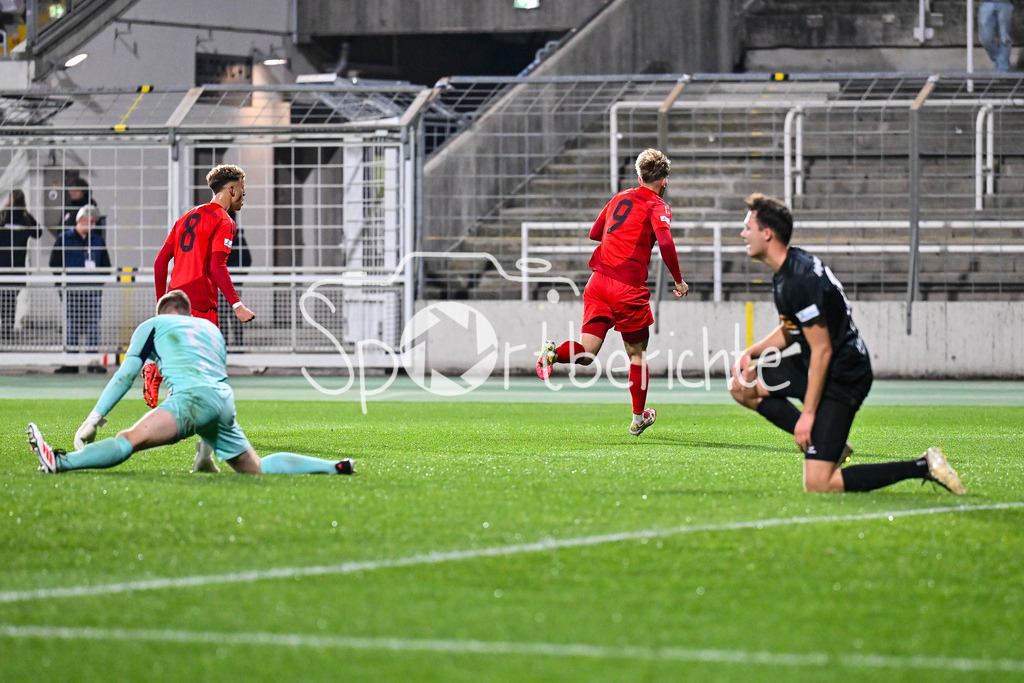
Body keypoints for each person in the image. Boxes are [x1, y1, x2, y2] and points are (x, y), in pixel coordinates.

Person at [728, 193, 965, 494]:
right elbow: (792, 330)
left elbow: (823, 349)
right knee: (741, 387)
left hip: (843, 373)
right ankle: (830, 446)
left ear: (767, 233)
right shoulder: (787, 272)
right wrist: (752, 352)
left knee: (818, 483)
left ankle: (923, 465)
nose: (742, 234)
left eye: (747, 227)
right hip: (821, 361)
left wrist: (808, 416)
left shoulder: (799, 279)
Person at [26, 289, 355, 477]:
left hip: (192, 400)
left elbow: (126, 374)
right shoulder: (211, 331)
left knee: (129, 439)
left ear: (166, 310)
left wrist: (93, 418)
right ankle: (332, 467)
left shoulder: (154, 324)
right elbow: (207, 382)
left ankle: (60, 462)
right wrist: (204, 452)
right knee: (253, 466)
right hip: (223, 401)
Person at [535, 148, 689, 436]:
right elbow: (666, 243)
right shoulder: (657, 206)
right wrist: (678, 280)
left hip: (598, 283)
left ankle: (553, 353)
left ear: (638, 175)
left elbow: (595, 232)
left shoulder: (620, 197)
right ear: (664, 180)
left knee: (587, 353)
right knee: (637, 355)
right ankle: (638, 417)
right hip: (627, 288)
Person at [150, 164, 256, 472]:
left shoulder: (186, 217)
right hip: (202, 307)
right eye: (242, 189)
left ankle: (158, 370)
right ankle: (207, 451)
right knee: (212, 377)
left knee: (187, 373)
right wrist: (236, 303)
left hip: (176, 306)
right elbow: (215, 268)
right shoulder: (223, 221)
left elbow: (160, 263)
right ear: (231, 189)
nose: (244, 195)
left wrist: (162, 305)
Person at [49, 205, 110, 374]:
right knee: (71, 326)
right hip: (72, 291)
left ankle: (92, 361)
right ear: (81, 220)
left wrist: (97, 286)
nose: (93, 225)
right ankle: (71, 361)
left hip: (92, 292)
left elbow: (106, 266)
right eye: (91, 221)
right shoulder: (64, 239)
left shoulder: (97, 241)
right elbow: (54, 263)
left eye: (94, 222)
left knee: (92, 327)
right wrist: (62, 287)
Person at [0, 189, 42, 343]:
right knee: (11, 300)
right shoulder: (26, 218)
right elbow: (39, 233)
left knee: (2, 299)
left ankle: (2, 330)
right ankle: (7, 330)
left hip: (1, 267)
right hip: (17, 268)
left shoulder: (2, 216)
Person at [979, 0, 1014, 73]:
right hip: (986, 3)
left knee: (1005, 37)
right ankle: (1001, 61)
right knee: (985, 38)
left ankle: (1003, 69)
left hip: (1006, 2)